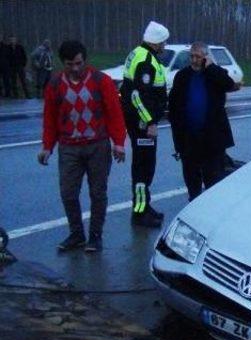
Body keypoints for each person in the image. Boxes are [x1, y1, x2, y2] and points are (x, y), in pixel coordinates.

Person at [37, 40, 126, 252]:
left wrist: (119, 143)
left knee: (97, 193)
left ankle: (95, 236)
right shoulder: (55, 84)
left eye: (79, 63)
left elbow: (115, 114)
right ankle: (76, 234)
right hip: (69, 147)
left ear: (85, 60)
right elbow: (50, 118)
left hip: (98, 145)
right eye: (70, 64)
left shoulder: (101, 81)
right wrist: (47, 146)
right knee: (68, 193)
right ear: (63, 63)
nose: (75, 68)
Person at [168, 42, 240, 201]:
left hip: (212, 138)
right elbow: (173, 107)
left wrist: (211, 67)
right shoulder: (182, 76)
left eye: (198, 57)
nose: (194, 60)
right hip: (189, 137)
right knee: (191, 176)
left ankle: (210, 204)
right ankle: (193, 200)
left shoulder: (214, 73)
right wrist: (177, 139)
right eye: (191, 56)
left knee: (213, 177)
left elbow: (229, 84)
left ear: (205, 57)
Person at [120, 21, 169, 228]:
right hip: (141, 125)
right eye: (164, 42)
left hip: (141, 122)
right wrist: (149, 122)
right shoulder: (146, 61)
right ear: (156, 43)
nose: (165, 46)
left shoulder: (140, 53)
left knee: (146, 166)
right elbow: (136, 96)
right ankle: (140, 212)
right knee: (143, 167)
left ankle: (144, 205)